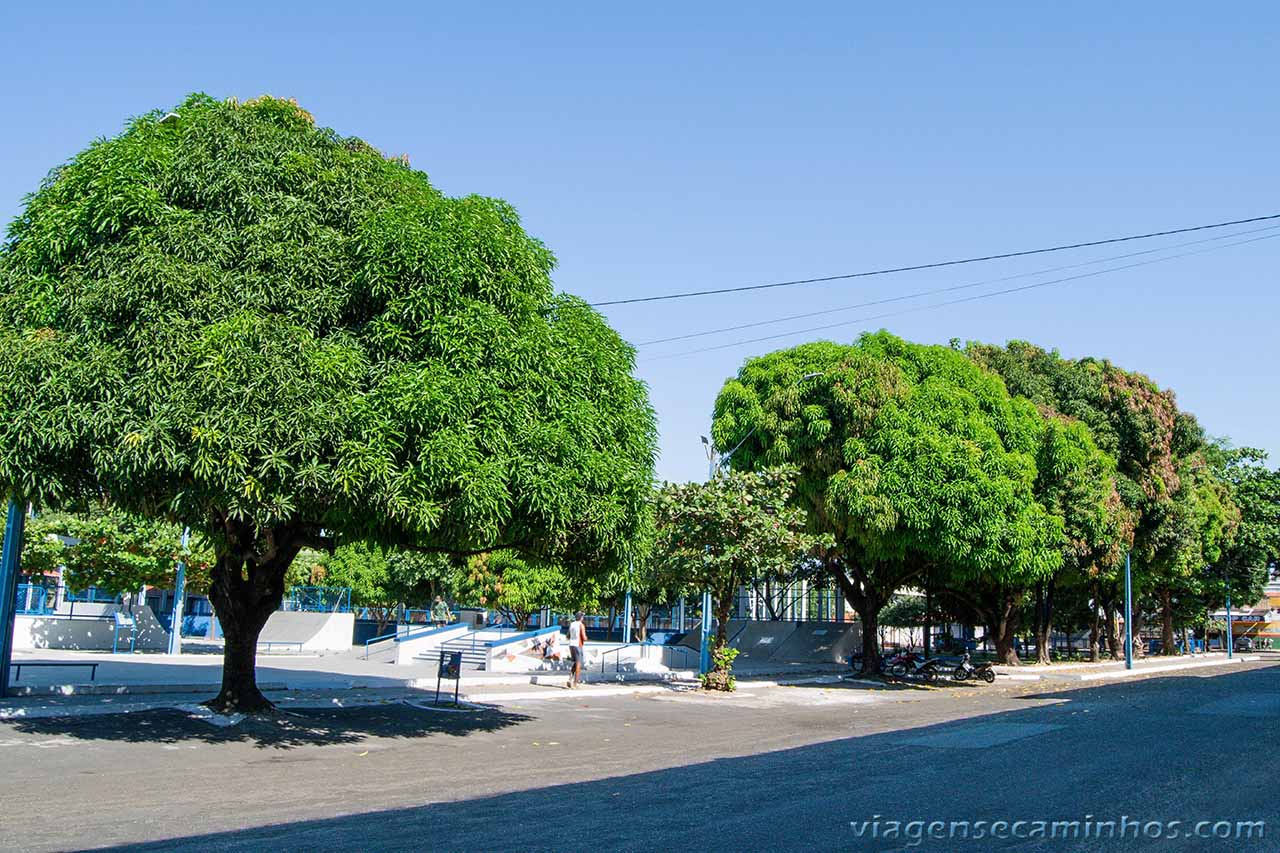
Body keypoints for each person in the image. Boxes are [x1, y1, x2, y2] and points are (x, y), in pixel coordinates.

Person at [567, 610, 587, 688]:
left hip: (571, 645)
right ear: (581, 617)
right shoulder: (581, 625)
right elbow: (584, 637)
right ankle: (575, 683)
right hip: (578, 645)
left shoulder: (572, 624)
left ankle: (570, 678)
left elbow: (568, 635)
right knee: (578, 664)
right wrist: (586, 638)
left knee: (575, 662)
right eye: (583, 616)